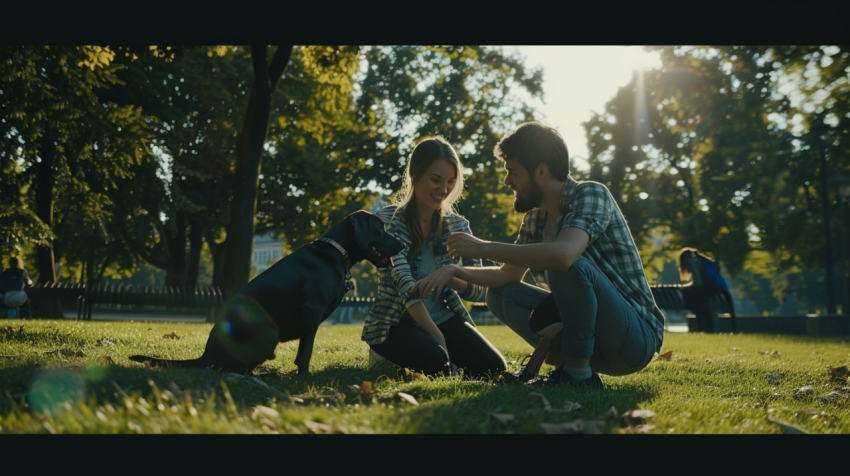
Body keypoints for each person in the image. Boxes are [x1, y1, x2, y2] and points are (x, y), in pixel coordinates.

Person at [415, 122, 665, 388]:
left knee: (568, 265)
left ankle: (578, 375)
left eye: (514, 172)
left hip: (634, 340)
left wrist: (482, 247)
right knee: (499, 294)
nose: (507, 180)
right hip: (596, 347)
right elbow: (506, 274)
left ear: (541, 171)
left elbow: (563, 256)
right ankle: (569, 367)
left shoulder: (591, 193)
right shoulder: (535, 217)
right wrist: (454, 271)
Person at [361, 137, 507, 379]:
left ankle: (439, 358)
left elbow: (478, 291)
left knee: (494, 368)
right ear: (415, 175)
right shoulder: (387, 221)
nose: (443, 190)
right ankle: (387, 357)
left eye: (450, 182)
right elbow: (404, 285)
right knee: (439, 361)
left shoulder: (457, 225)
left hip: (444, 317)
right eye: (435, 180)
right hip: (395, 323)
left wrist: (450, 274)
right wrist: (439, 338)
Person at [677, 247, 736, 332]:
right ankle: (708, 329)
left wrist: (683, 287)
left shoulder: (692, 261)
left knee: (696, 303)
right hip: (717, 289)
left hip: (707, 290)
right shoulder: (701, 260)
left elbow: (698, 282)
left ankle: (702, 328)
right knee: (703, 307)